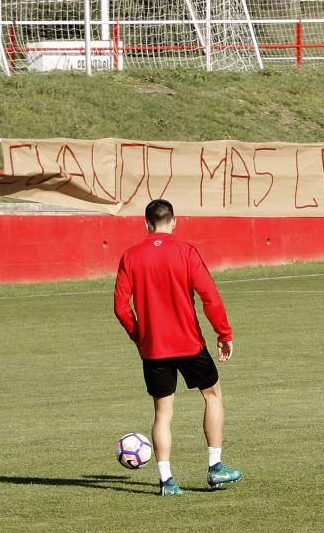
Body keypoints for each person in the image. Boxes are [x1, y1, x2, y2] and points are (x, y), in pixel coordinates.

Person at [113, 199, 243, 496]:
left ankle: (166, 480)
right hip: (189, 342)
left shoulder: (130, 257)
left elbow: (121, 307)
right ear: (174, 222)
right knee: (212, 395)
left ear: (146, 224)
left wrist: (139, 337)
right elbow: (210, 295)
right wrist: (224, 333)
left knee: (163, 413)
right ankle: (215, 467)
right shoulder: (186, 252)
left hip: (154, 348)